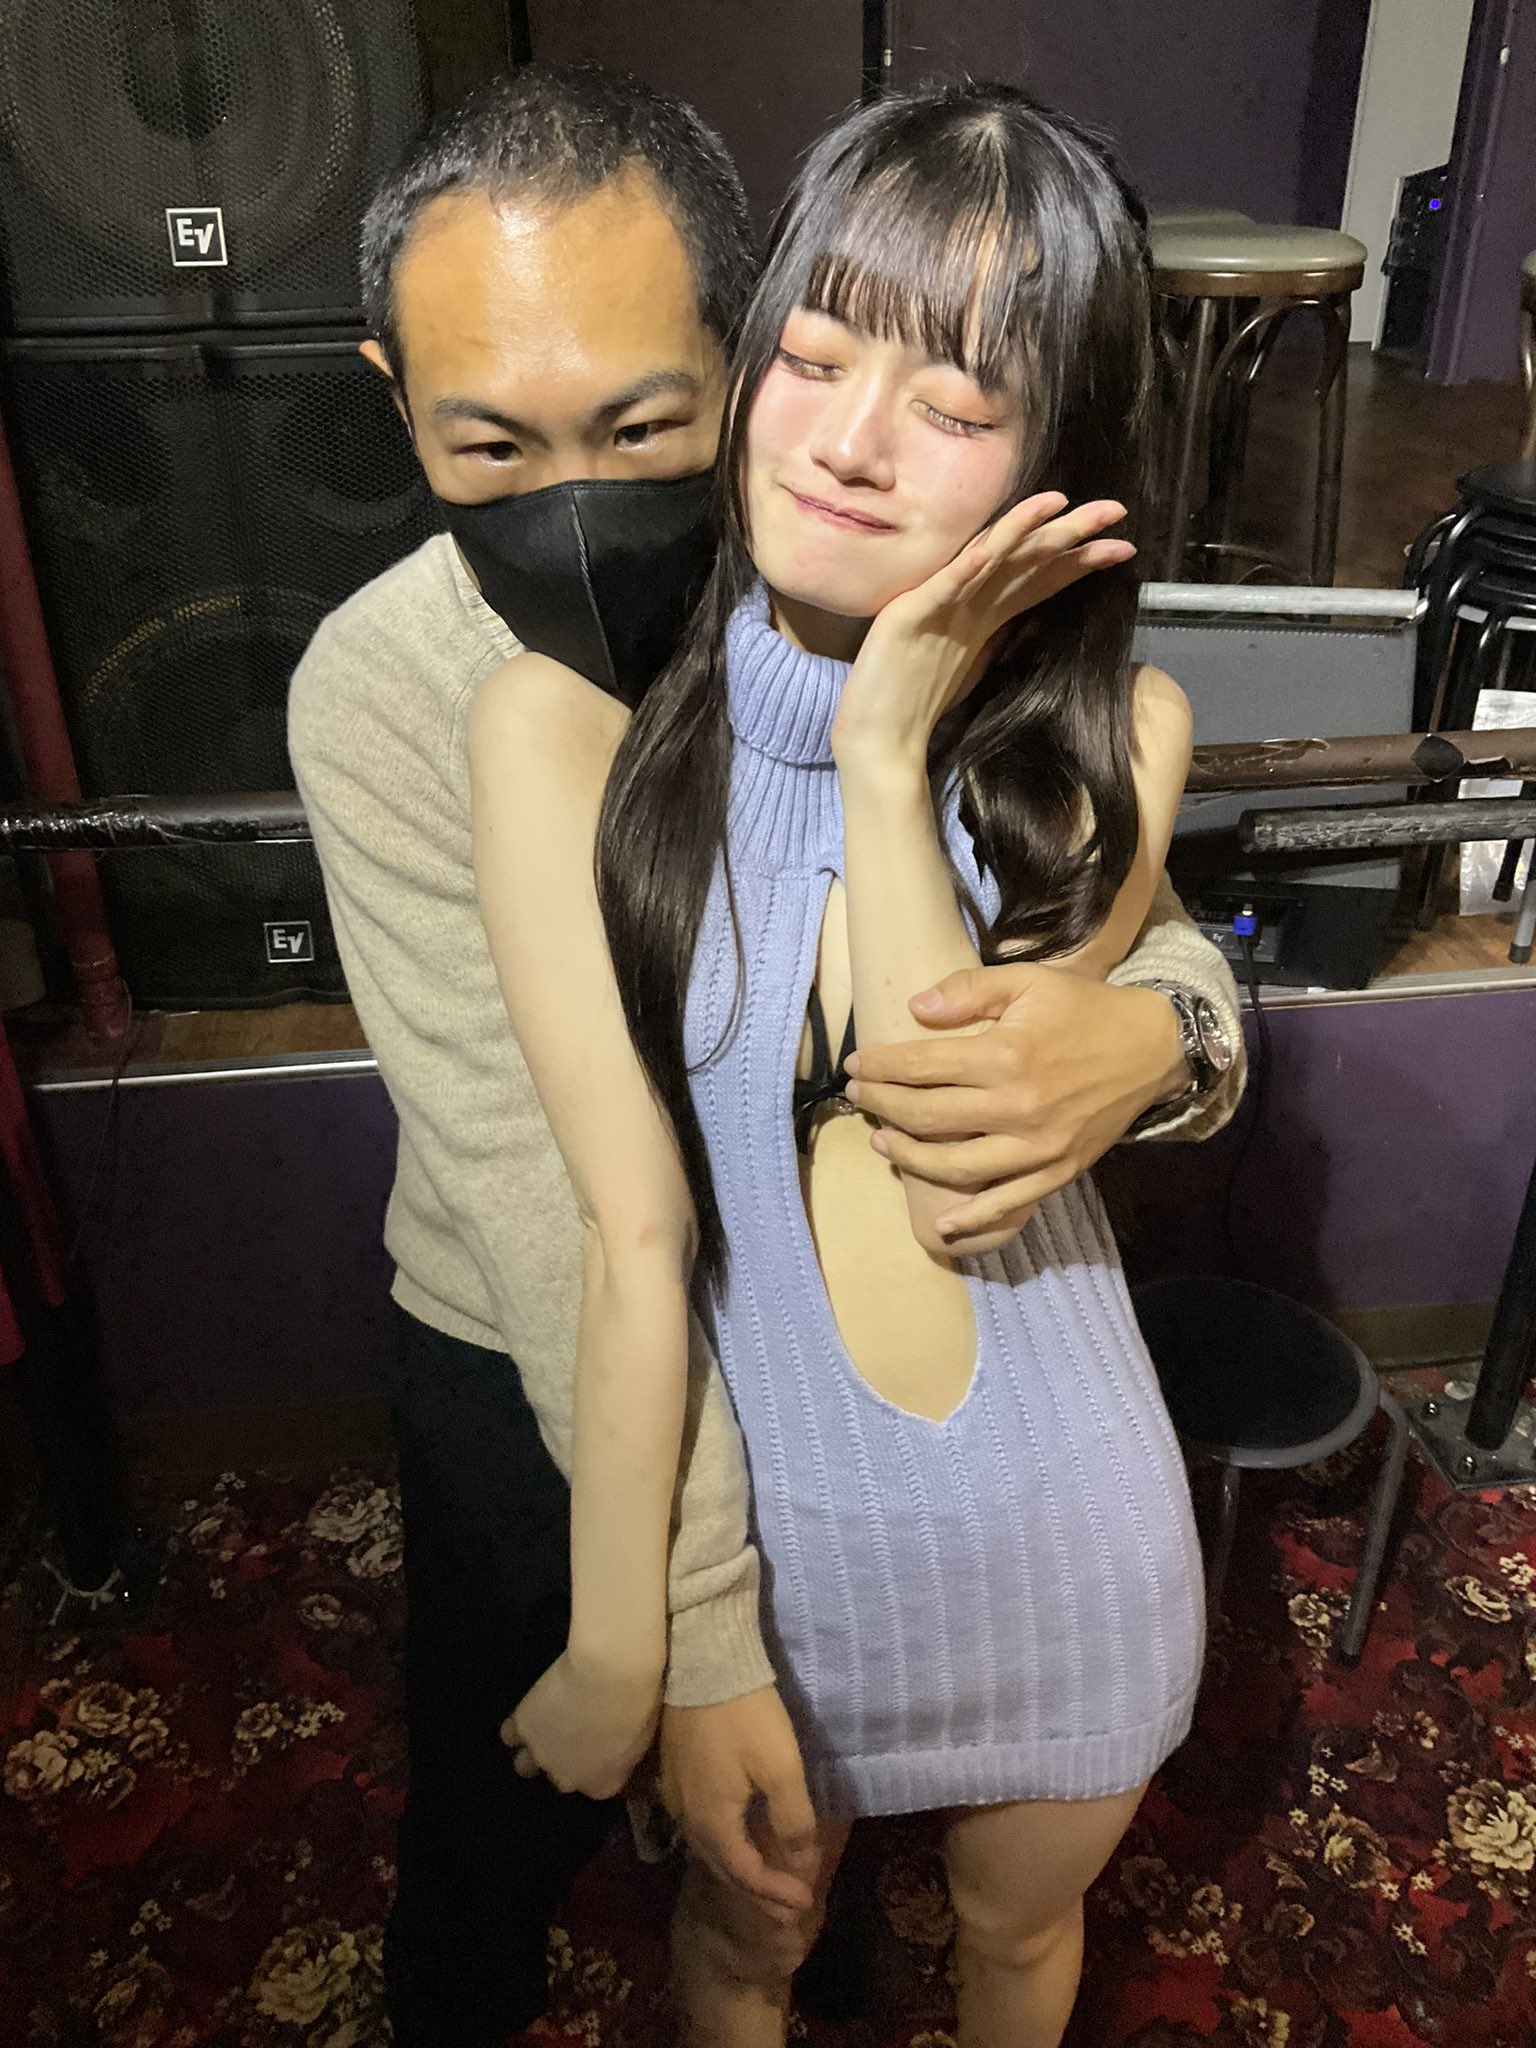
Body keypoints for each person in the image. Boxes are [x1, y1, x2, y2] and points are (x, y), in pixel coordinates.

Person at [288, 63, 1244, 2048]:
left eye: (644, 421)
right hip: (550, 1329)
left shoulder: (975, 651)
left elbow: (1079, 960)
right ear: (396, 399)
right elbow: (574, 1217)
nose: (576, 494)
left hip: (999, 1458)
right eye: (490, 438)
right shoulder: (419, 684)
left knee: (901, 1912)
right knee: (507, 1826)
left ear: (723, 348)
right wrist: (686, 1636)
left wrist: (1168, 1029)